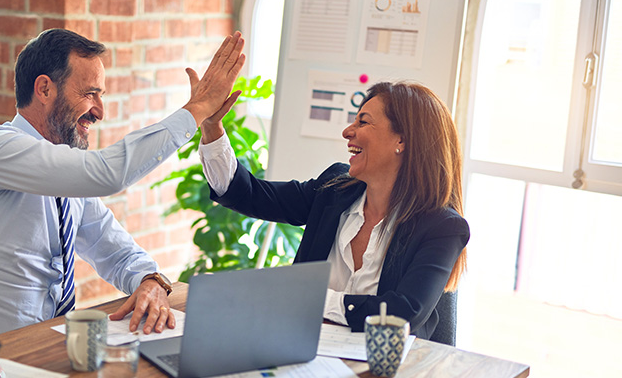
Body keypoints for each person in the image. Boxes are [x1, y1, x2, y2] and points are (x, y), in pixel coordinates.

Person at [0, 28, 245, 346]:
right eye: (90, 93)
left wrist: (150, 280)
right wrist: (197, 109)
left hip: (41, 353)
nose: (100, 111)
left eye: (100, 95)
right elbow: (107, 173)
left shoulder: (66, 179)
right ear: (45, 89)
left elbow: (114, 249)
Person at [198, 81, 469, 339]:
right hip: (303, 351)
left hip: (387, 372)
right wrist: (212, 127)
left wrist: (310, 298)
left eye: (363, 121)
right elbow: (250, 195)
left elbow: (402, 315)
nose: (347, 131)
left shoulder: (442, 227)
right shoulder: (334, 189)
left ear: (402, 141)